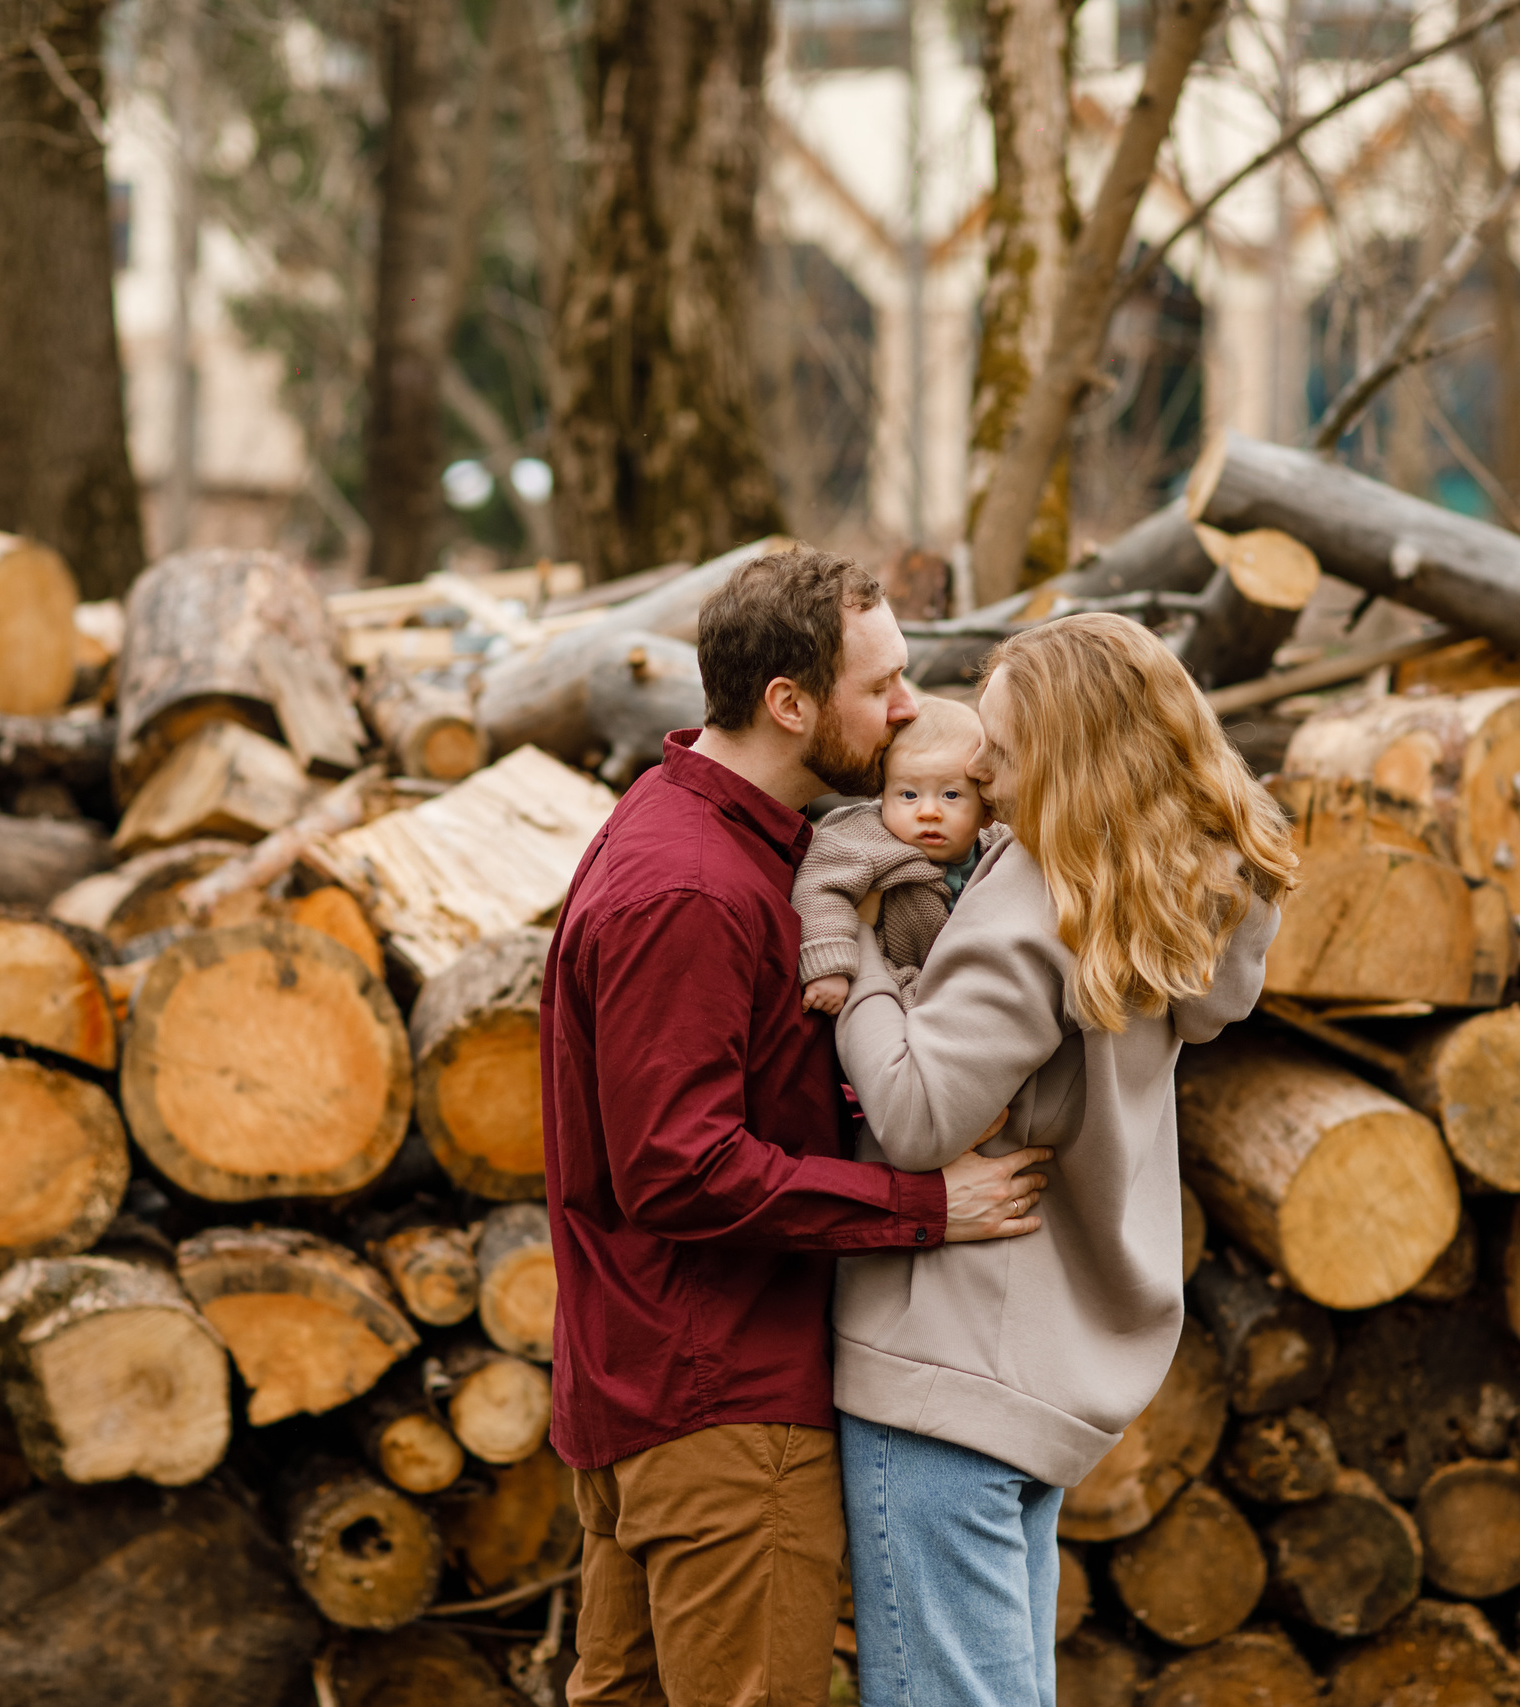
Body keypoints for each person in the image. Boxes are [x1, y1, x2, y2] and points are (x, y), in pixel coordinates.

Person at [539, 545, 1055, 1707]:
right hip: (723, 1413)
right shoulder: (693, 888)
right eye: (881, 685)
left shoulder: (697, 828)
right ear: (788, 703)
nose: (908, 708)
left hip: (652, 1389)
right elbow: (678, 1168)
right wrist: (922, 1206)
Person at [830, 612, 1298, 1707]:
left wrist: (853, 952)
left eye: (1000, 748)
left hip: (946, 1366)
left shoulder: (1034, 899)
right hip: (1046, 1353)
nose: (980, 772)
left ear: (1066, 755)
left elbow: (916, 1115)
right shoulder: (1158, 885)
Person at [791, 694, 1006, 1014]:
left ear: (986, 809)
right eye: (908, 794)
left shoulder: (1000, 844)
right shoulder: (864, 837)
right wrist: (830, 968)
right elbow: (819, 889)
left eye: (951, 794)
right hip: (891, 977)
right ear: (882, 794)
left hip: (972, 984)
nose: (928, 812)